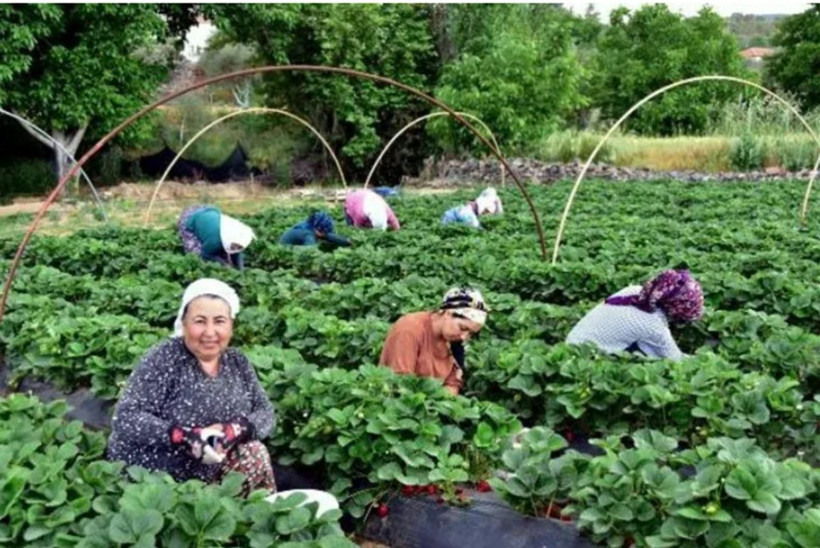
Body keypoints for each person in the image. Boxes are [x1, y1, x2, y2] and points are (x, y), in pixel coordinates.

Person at [108, 278, 276, 495]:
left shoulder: (237, 361)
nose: (209, 332)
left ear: (231, 326)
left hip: (213, 465)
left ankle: (246, 520)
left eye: (219, 321)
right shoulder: (163, 358)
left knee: (254, 452)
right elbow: (127, 418)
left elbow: (266, 413)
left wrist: (234, 430)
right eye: (199, 321)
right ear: (184, 323)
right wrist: (185, 436)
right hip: (159, 477)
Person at [566, 269, 704, 361]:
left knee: (641, 341)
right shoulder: (652, 324)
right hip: (584, 357)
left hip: (573, 340)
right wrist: (704, 360)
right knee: (650, 358)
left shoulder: (634, 290)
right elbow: (675, 359)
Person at [380, 287, 489, 395]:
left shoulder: (453, 340)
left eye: (471, 333)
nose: (464, 337)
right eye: (463, 328)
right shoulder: (409, 329)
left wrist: (442, 401)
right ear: (448, 313)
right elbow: (400, 382)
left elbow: (454, 381)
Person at [177, 205, 255, 269]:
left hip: (207, 211)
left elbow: (237, 252)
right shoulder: (215, 241)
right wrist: (222, 263)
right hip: (190, 217)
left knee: (223, 253)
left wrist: (241, 269)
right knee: (197, 254)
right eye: (235, 246)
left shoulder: (234, 235)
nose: (236, 248)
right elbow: (205, 253)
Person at [279, 211, 352, 249]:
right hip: (284, 249)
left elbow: (328, 236)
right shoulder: (307, 235)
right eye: (324, 231)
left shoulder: (310, 226)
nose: (325, 234)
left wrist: (346, 241)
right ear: (318, 229)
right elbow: (311, 251)